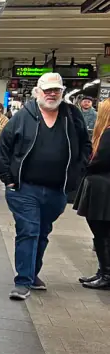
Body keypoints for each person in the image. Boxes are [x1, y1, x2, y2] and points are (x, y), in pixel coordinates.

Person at [0, 72, 91, 300]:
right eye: (47, 90)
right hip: (24, 188)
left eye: (56, 90)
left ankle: (32, 273)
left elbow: (85, 146)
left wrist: (77, 174)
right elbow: (4, 147)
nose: (52, 94)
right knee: (28, 231)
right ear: (37, 92)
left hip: (56, 191)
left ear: (62, 92)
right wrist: (8, 178)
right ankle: (23, 281)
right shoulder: (23, 117)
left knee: (42, 233)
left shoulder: (72, 115)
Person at [74, 98, 110, 289]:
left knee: (102, 232)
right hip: (104, 188)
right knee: (104, 233)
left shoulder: (108, 133)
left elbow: (100, 160)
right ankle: (102, 272)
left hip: (103, 190)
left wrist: (83, 166)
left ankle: (106, 274)